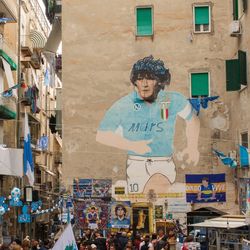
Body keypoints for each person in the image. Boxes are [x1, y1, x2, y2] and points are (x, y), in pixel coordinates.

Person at [96, 55, 200, 194]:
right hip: (136, 163)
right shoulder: (124, 104)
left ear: (159, 81)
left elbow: (192, 119)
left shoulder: (172, 99)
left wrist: (192, 147)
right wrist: (132, 145)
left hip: (163, 162)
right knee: (141, 205)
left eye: (150, 78)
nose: (144, 84)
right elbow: (102, 135)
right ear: (135, 82)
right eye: (140, 79)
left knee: (156, 198)